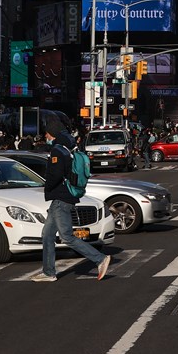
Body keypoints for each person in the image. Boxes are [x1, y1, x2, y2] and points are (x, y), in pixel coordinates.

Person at [32, 120, 111, 282]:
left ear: (52, 134)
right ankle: (48, 272)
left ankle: (100, 259)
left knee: (66, 236)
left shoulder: (57, 151)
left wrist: (46, 187)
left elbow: (55, 174)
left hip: (62, 197)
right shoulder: (68, 149)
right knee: (47, 235)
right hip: (62, 198)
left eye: (47, 133)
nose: (45, 136)